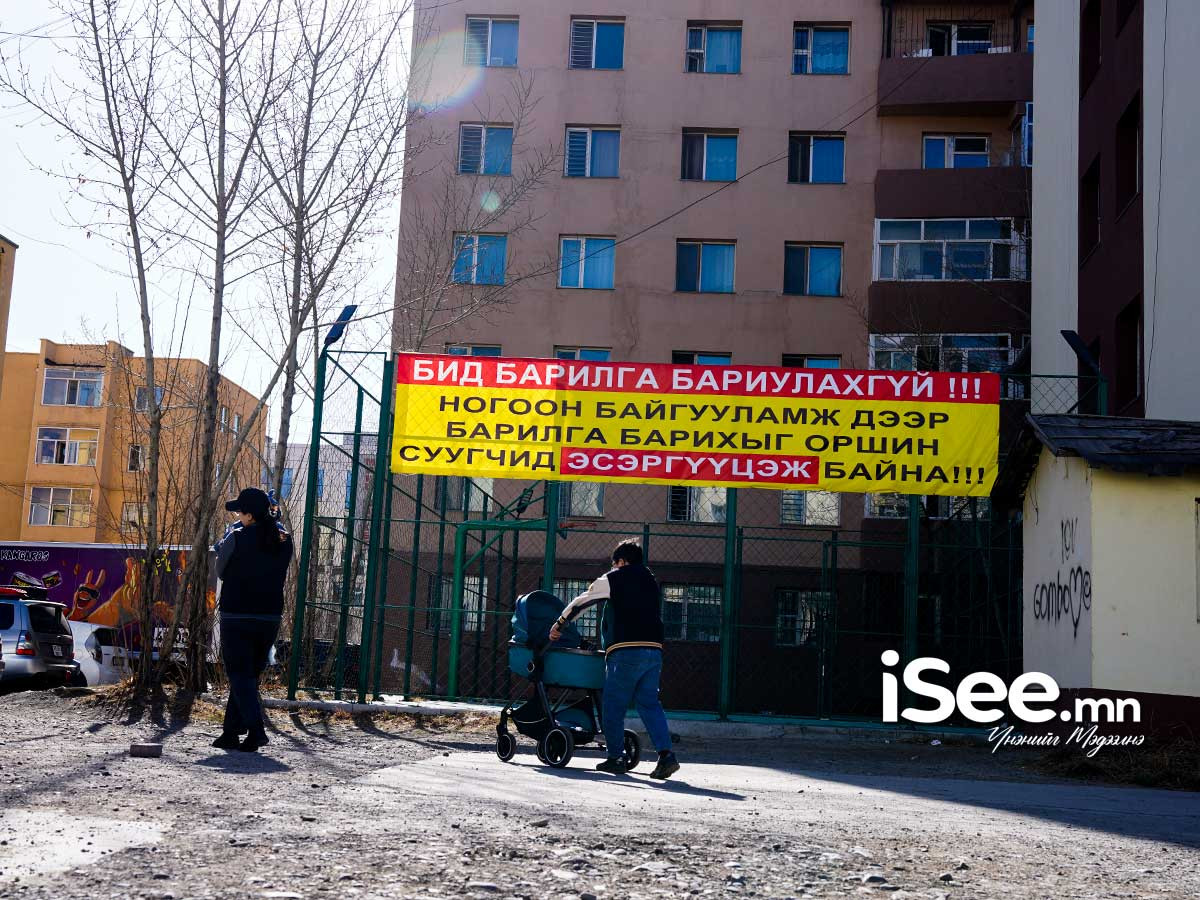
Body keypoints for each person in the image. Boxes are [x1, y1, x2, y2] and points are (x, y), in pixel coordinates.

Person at [549, 539, 680, 779]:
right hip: (653, 650)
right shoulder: (650, 580)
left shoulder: (614, 577)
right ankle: (666, 756)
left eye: (615, 563)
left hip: (625, 650)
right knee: (649, 704)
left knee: (613, 705)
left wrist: (559, 624)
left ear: (621, 561)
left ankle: (615, 758)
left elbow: (583, 601)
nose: (614, 566)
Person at [212, 487, 294, 752]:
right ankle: (230, 732)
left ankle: (257, 732)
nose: (238, 515)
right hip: (269, 615)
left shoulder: (236, 537)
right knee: (248, 676)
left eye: (240, 512)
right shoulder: (284, 539)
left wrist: (228, 543)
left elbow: (220, 571)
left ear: (249, 515)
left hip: (237, 613)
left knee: (238, 674)